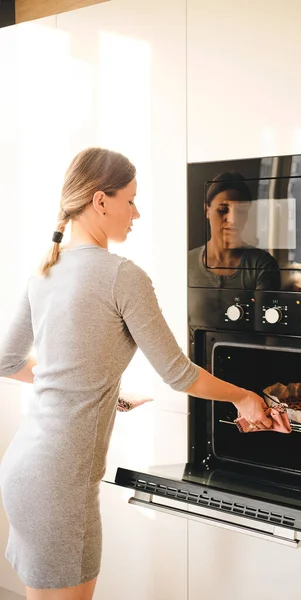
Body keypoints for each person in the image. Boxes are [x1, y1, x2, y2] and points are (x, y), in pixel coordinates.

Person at [0, 148, 276, 600]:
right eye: (130, 199)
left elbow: (8, 361)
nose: (137, 212)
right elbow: (179, 373)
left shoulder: (45, 273)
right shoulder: (122, 276)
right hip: (62, 482)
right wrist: (243, 396)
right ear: (100, 201)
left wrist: (102, 393)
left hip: (25, 469)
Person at [188, 171, 281, 289]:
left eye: (241, 211)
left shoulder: (262, 265)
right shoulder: (186, 264)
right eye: (222, 210)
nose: (233, 219)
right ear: (207, 210)